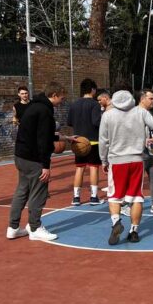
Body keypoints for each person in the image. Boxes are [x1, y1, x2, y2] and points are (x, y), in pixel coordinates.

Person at [98, 90, 153, 245]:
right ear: (132, 99)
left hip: (117, 160)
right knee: (136, 197)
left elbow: (103, 141)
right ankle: (134, 231)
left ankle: (116, 222)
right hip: (137, 160)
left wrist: (103, 161)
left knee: (114, 196)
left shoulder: (108, 115)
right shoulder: (140, 112)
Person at [7, 82, 69, 240]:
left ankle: (13, 227)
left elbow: (42, 134)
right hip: (33, 158)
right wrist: (45, 166)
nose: (62, 101)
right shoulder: (44, 111)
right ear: (54, 95)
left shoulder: (34, 106)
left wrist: (65, 137)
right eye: (61, 98)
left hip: (20, 155)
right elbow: (43, 140)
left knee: (22, 191)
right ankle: (35, 228)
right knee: (39, 193)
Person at [67, 78, 103, 206]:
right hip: (92, 141)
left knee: (79, 168)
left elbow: (69, 122)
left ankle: (76, 197)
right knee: (93, 168)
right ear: (92, 89)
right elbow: (96, 122)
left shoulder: (74, 104)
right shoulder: (94, 104)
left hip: (78, 141)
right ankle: (93, 197)